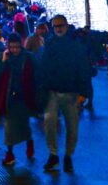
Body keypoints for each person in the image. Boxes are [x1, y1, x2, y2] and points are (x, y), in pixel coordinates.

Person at [39, 14, 92, 173]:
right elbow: (43, 68)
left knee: (72, 127)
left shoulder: (76, 46)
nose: (59, 28)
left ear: (67, 26)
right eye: (56, 26)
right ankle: (53, 154)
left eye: (61, 25)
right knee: (49, 122)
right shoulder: (50, 45)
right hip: (52, 91)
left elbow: (83, 69)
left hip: (71, 92)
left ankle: (68, 155)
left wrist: (83, 93)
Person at [0, 33, 41, 166]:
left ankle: (29, 142)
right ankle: (10, 153)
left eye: (17, 47)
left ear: (21, 46)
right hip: (9, 98)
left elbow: (38, 74)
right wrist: (3, 61)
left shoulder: (29, 58)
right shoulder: (4, 57)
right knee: (9, 127)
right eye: (11, 47)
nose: (14, 50)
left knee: (24, 124)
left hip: (24, 97)